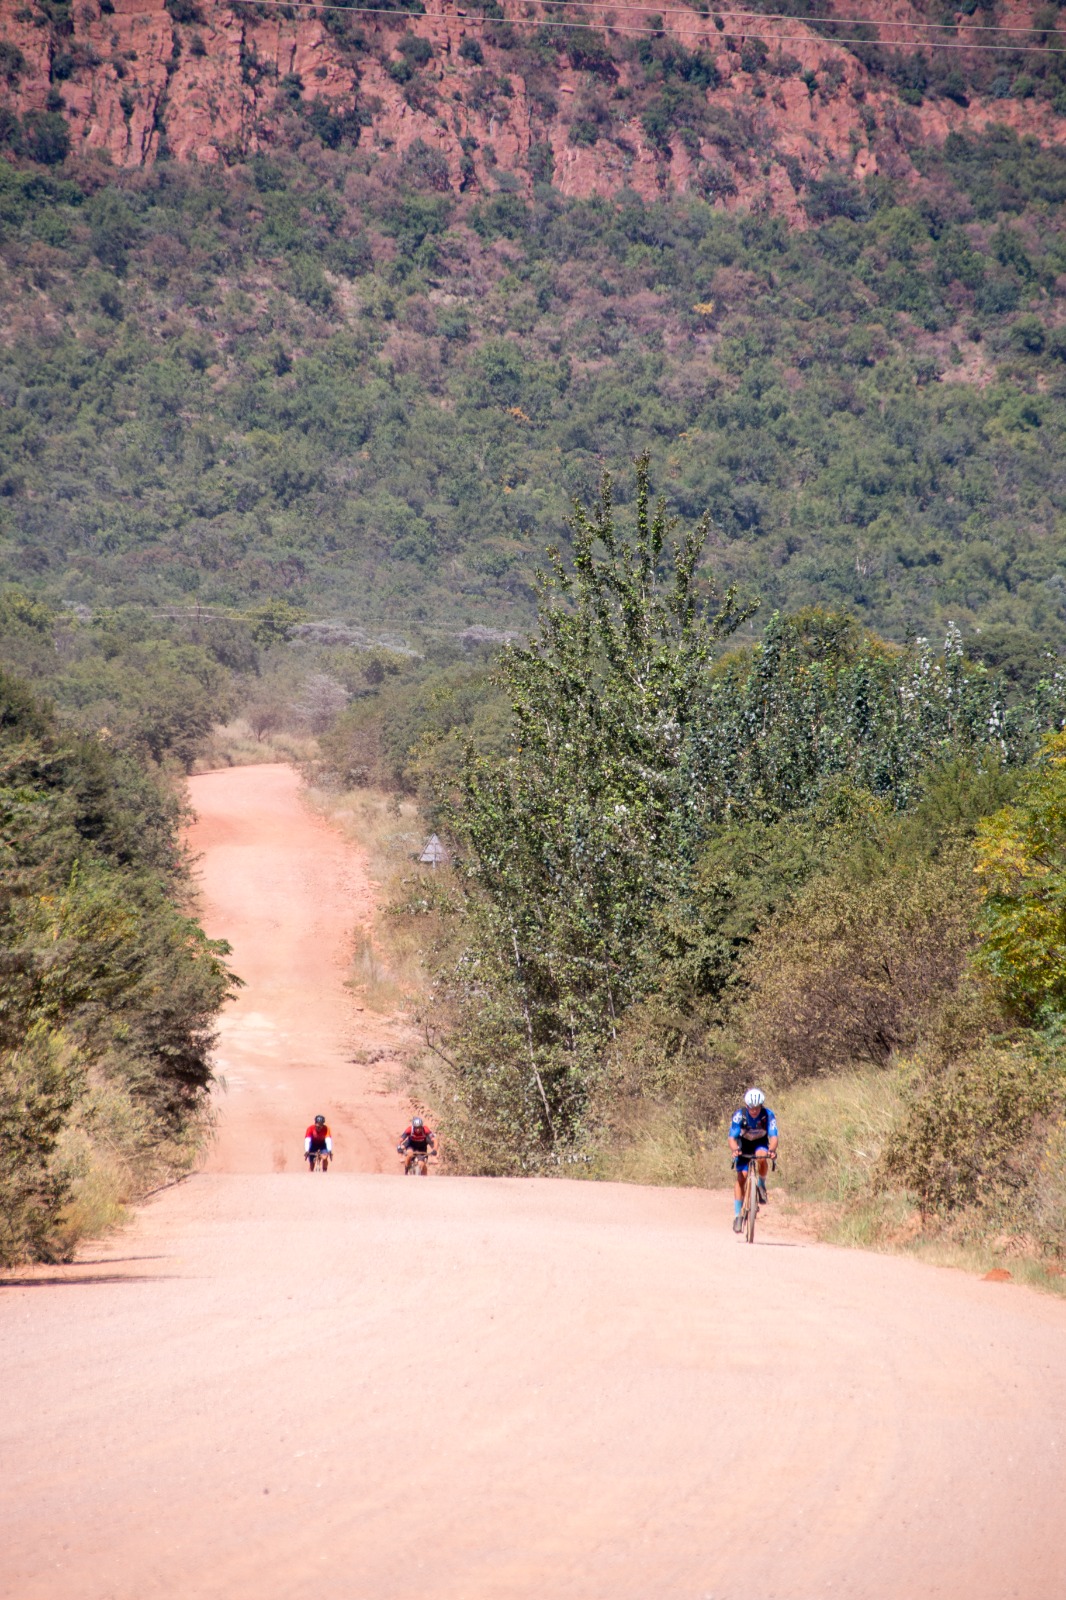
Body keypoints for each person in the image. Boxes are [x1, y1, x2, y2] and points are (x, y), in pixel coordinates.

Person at [729, 1088, 778, 1234]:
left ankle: (761, 1184)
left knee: (762, 1157)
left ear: (761, 1105)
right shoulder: (739, 1115)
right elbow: (732, 1138)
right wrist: (735, 1150)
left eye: (757, 1107)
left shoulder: (768, 1115)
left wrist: (772, 1150)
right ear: (746, 1105)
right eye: (751, 1107)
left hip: (760, 1143)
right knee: (741, 1177)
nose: (754, 1110)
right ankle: (738, 1216)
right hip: (743, 1144)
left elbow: (774, 1136)